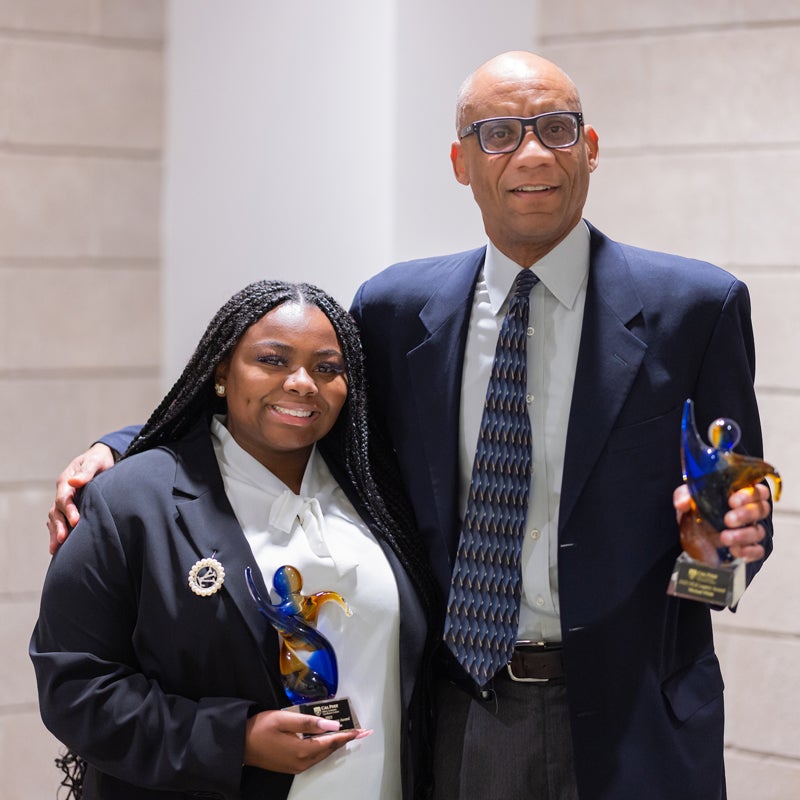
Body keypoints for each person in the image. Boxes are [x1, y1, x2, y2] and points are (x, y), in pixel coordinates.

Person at [48, 52, 774, 800]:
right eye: (498, 133)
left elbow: (737, 510)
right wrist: (122, 447)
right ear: (461, 163)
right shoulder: (397, 309)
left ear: (589, 149)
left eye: (556, 128)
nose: (532, 152)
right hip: (461, 706)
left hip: (636, 713)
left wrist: (728, 547)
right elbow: (301, 411)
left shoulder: (698, 307)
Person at [32, 280, 437, 800]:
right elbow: (75, 687)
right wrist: (234, 739)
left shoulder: (378, 491)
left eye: (327, 367)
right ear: (221, 372)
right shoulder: (131, 500)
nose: (302, 383)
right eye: (272, 360)